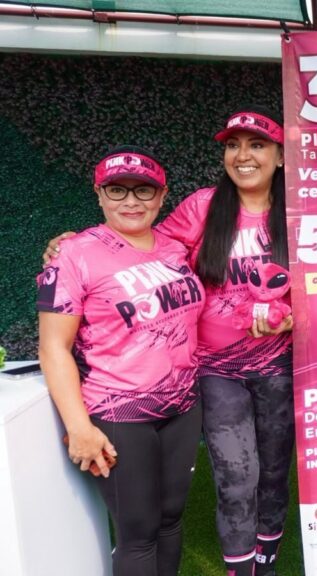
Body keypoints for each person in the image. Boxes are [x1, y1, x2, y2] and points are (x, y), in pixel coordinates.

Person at [44, 105, 294, 576]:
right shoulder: (202, 207)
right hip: (213, 369)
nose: (243, 155)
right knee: (237, 476)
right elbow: (139, 245)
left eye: (257, 145)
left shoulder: (300, 209)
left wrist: (294, 316)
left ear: (281, 156)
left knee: (276, 473)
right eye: (233, 145)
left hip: (275, 365)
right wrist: (73, 247)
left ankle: (267, 562)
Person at [38, 146, 205, 576]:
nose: (131, 201)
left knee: (170, 519)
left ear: (162, 195)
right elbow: (53, 347)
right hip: (119, 412)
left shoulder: (175, 248)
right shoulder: (74, 255)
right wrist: (79, 427)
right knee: (138, 531)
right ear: (99, 195)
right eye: (117, 190)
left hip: (183, 405)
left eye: (143, 190)